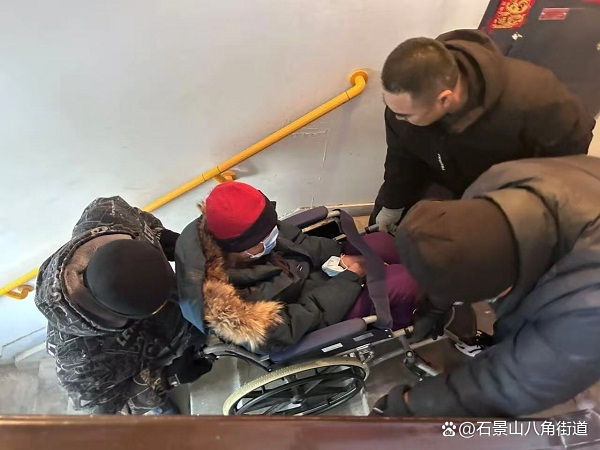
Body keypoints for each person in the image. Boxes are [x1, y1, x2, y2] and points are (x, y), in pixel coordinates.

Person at [370, 155, 600, 418]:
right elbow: (454, 251)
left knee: (556, 360)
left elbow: (515, 383)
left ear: (507, 288)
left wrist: (407, 407)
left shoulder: (589, 304)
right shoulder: (496, 184)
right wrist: (434, 306)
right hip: (582, 193)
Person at [372, 29, 595, 232]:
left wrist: (527, 207)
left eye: (406, 115)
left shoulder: (538, 99)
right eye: (390, 107)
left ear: (444, 99)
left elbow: (568, 160)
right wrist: (391, 205)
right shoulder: (403, 106)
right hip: (444, 177)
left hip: (507, 193)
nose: (396, 118)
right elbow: (401, 158)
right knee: (390, 234)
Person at [175, 181, 418, 354]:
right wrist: (349, 279)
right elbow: (297, 322)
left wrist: (339, 257)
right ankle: (404, 322)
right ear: (242, 248)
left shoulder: (248, 232)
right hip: (315, 315)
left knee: (381, 243)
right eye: (266, 236)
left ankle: (412, 289)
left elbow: (301, 241)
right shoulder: (238, 311)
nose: (275, 234)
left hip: (317, 276)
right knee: (403, 283)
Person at [34, 196, 212, 415]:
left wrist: (163, 238)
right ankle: (161, 407)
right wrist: (166, 378)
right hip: (151, 364)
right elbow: (111, 411)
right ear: (119, 317)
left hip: (183, 329)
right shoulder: (79, 360)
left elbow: (141, 220)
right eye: (159, 306)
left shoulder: (107, 215)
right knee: (160, 407)